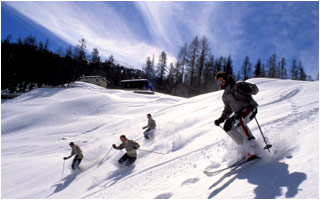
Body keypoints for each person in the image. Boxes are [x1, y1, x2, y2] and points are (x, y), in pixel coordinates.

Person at [214, 71, 259, 159]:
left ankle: (252, 145)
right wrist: (221, 119)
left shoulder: (238, 85)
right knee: (227, 126)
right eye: (219, 82)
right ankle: (244, 148)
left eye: (222, 81)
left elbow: (255, 89)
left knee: (238, 121)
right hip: (239, 114)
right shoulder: (225, 96)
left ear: (226, 78)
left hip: (250, 109)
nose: (221, 84)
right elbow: (228, 109)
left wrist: (249, 89)